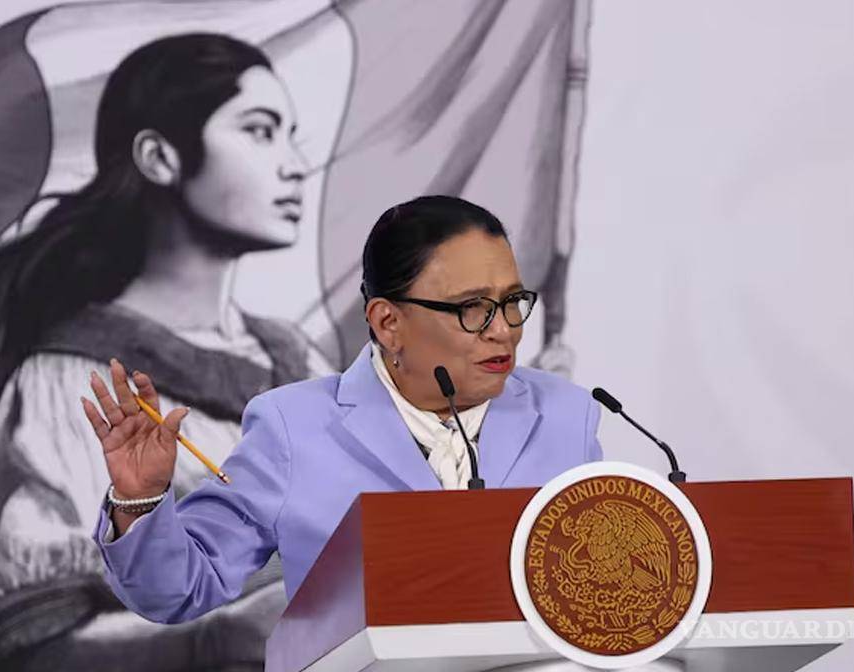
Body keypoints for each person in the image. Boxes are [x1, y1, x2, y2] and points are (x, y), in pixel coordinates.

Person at [0, 33, 331, 672]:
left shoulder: (300, 362)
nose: (295, 165)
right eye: (259, 131)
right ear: (159, 158)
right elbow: (24, 642)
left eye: (290, 135)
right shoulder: (75, 381)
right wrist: (217, 637)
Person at [83, 195, 604, 623]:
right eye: (474, 308)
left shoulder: (566, 416)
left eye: (513, 302)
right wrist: (139, 500)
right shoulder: (294, 429)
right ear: (388, 323)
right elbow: (180, 590)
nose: (504, 330)